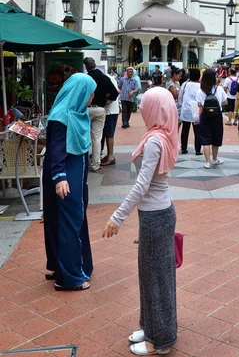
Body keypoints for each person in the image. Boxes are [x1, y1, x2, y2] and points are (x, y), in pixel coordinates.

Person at [101, 87, 178, 356]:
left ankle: (162, 339)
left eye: (144, 105)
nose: (141, 109)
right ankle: (150, 326)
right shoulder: (159, 135)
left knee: (157, 279)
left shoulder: (156, 140)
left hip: (157, 215)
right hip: (155, 216)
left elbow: (142, 185)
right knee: (150, 276)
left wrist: (116, 217)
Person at [43, 73, 96, 291]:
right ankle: (70, 277)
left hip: (71, 174)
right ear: (81, 93)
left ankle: (59, 265)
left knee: (58, 220)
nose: (93, 96)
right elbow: (56, 150)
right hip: (65, 177)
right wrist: (60, 178)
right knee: (70, 222)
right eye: (91, 92)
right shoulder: (62, 117)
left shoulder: (75, 112)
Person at [83, 57, 119, 172]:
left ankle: (82, 162)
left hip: (86, 109)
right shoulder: (104, 77)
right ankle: (95, 164)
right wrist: (105, 103)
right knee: (97, 138)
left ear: (86, 67)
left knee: (83, 136)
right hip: (99, 110)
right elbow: (115, 93)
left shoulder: (87, 78)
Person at [196, 68, 227, 169]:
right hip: (217, 116)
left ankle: (207, 162)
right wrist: (217, 105)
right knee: (216, 137)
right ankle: (214, 159)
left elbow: (199, 104)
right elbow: (225, 102)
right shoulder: (219, 89)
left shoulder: (201, 90)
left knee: (206, 139)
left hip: (205, 116)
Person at [179, 69, 202, 156]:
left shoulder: (185, 84)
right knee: (197, 131)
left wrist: (182, 105)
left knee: (185, 129)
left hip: (186, 109)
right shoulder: (201, 86)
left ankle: (184, 148)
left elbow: (180, 96)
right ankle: (198, 150)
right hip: (196, 109)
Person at [101, 75, 120, 167]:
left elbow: (114, 94)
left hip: (111, 112)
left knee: (109, 134)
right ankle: (108, 155)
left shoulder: (107, 79)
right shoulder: (106, 78)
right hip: (109, 111)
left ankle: (110, 156)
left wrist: (103, 104)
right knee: (106, 133)